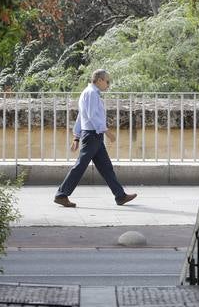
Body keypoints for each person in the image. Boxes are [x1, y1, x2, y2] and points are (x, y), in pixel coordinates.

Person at [54, 69, 137, 207]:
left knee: (106, 167)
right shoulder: (91, 93)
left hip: (92, 135)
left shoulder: (89, 92)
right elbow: (92, 116)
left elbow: (82, 115)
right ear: (99, 80)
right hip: (92, 135)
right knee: (80, 166)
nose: (108, 84)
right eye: (107, 81)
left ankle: (120, 196)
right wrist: (107, 132)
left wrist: (76, 136)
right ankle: (61, 194)